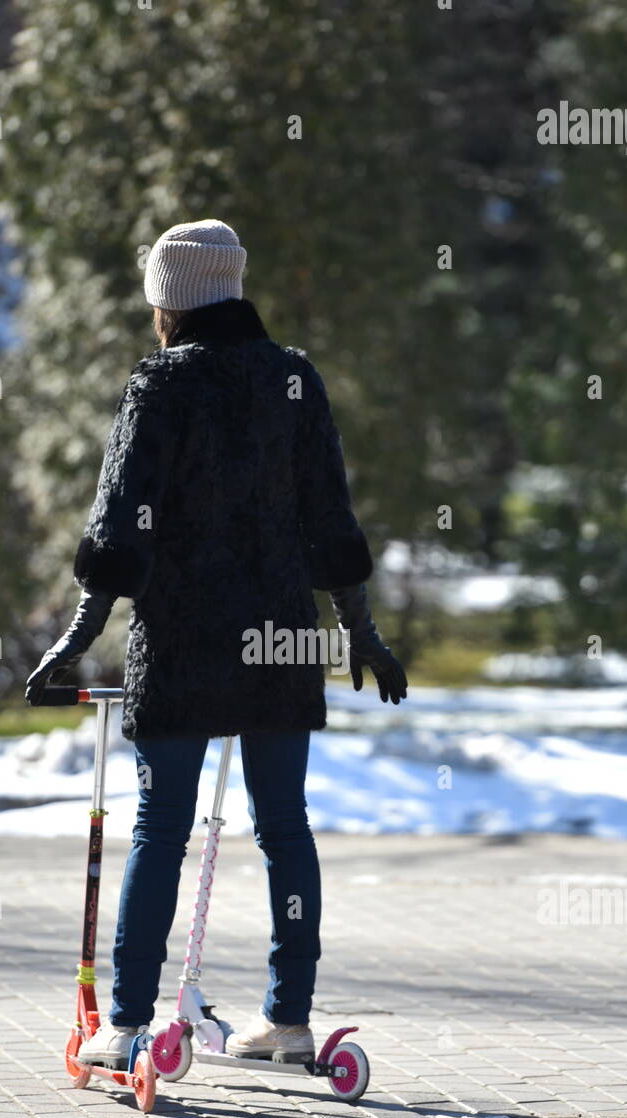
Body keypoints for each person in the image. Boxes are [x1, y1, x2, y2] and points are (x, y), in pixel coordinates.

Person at [26, 219, 407, 1069]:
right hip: (280, 637)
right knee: (286, 828)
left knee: (160, 829)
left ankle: (123, 1025)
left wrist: (76, 635)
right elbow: (330, 519)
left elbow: (119, 525)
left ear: (173, 299)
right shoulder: (294, 378)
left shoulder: (159, 383)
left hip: (183, 637)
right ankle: (291, 1021)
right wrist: (363, 632)